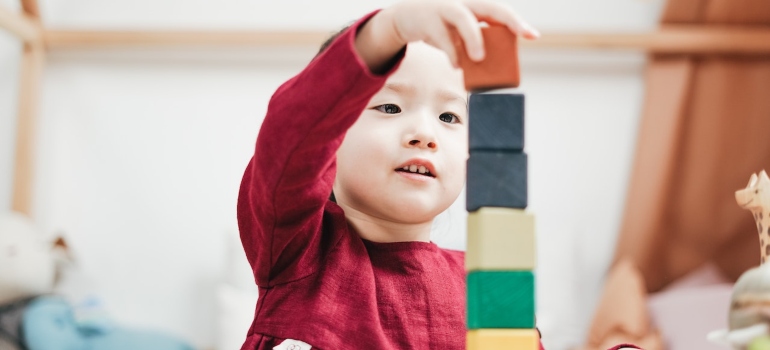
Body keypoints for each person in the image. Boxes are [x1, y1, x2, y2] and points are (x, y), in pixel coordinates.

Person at [237, 1, 639, 349]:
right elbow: (291, 133)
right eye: (390, 108)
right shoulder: (296, 254)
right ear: (330, 138)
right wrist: (389, 29)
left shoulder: (486, 285)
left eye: (449, 116)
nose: (425, 135)